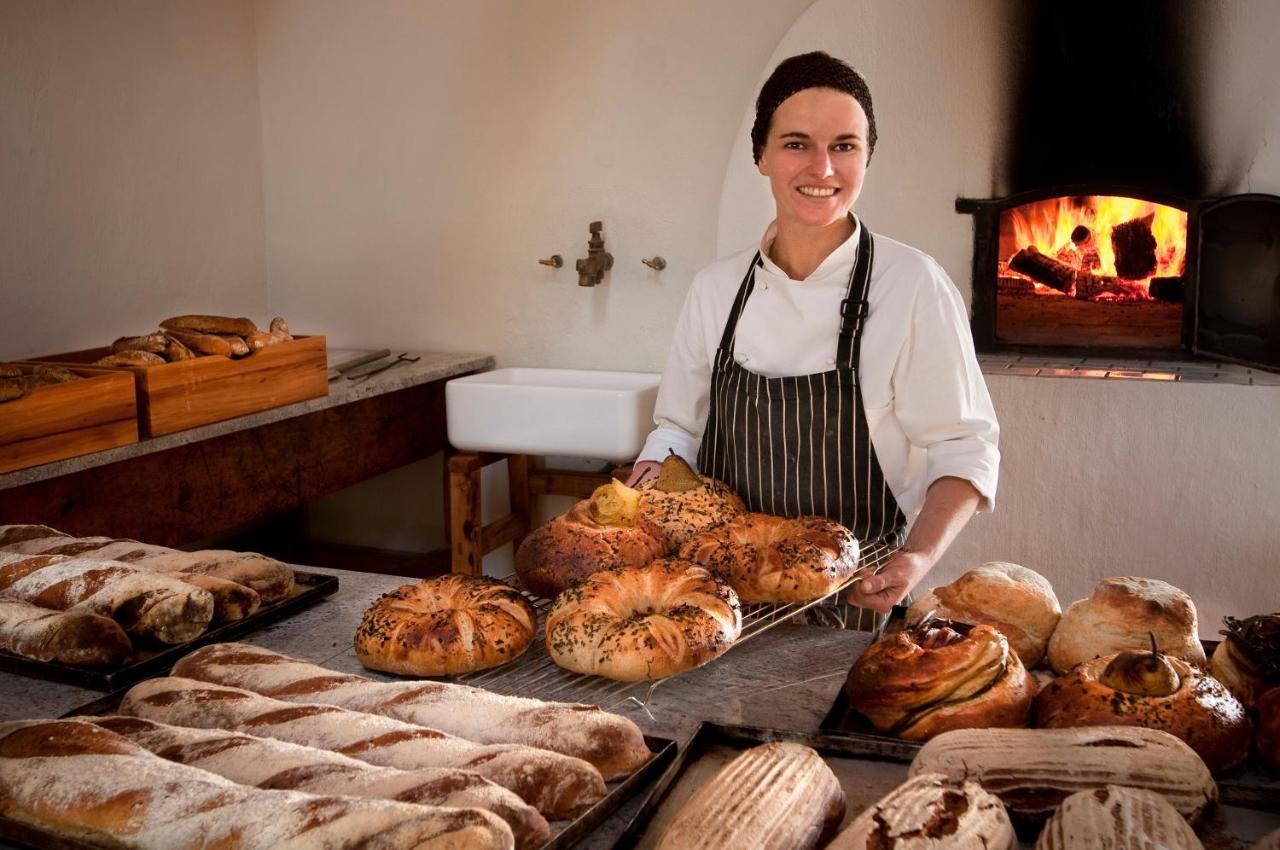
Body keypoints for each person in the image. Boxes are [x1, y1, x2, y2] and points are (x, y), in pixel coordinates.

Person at [627, 51, 999, 622]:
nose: (822, 169)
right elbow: (677, 429)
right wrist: (636, 496)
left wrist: (917, 559)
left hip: (855, 596)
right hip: (718, 605)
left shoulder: (912, 285)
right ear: (762, 156)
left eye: (845, 146)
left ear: (867, 157)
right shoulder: (716, 289)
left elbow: (964, 446)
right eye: (797, 143)